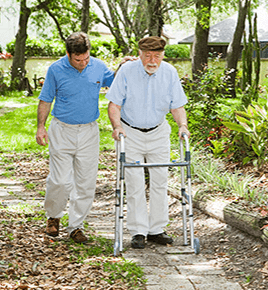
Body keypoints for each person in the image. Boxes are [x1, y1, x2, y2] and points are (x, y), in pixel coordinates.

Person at [36, 32, 133, 243]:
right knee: (60, 180)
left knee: (86, 182)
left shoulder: (97, 66)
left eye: (86, 58)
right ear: (68, 54)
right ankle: (53, 216)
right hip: (62, 129)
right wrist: (40, 127)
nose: (82, 63)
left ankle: (76, 227)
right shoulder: (56, 69)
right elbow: (45, 99)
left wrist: (123, 66)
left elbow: (114, 81)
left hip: (89, 130)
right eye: (78, 60)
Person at [106, 36, 190, 249]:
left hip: (158, 132)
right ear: (140, 54)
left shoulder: (170, 72)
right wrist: (117, 127)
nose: (152, 61)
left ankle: (157, 229)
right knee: (134, 182)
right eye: (148, 56)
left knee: (160, 180)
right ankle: (138, 231)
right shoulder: (126, 71)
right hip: (130, 132)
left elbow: (177, 105)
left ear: (163, 55)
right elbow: (114, 104)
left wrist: (182, 125)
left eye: (157, 56)